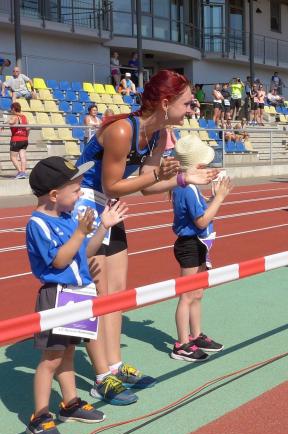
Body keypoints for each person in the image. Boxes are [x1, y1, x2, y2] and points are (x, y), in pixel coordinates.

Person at [74, 69, 219, 405]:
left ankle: (115, 365)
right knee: (100, 295)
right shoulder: (122, 130)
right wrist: (160, 175)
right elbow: (112, 184)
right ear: (166, 103)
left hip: (110, 207)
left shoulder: (160, 135)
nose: (192, 109)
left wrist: (184, 179)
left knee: (116, 295)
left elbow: (147, 188)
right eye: (188, 103)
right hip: (85, 206)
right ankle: (101, 378)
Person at [24, 157, 129, 434]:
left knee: (68, 352)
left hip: (78, 293)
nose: (81, 193)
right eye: (75, 190)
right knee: (51, 359)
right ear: (54, 195)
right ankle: (39, 416)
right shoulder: (38, 224)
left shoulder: (69, 217)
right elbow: (59, 261)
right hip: (57, 296)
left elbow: (86, 251)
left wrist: (103, 227)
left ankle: (69, 403)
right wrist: (81, 232)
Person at [170, 135, 231, 362]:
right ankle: (181, 344)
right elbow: (202, 221)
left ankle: (196, 336)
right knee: (187, 295)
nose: (207, 169)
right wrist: (219, 198)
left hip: (198, 244)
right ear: (196, 166)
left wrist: (212, 197)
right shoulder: (187, 188)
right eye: (204, 165)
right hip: (190, 244)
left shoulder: (188, 187)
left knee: (197, 293)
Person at [7, 102, 29, 179]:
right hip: (25, 139)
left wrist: (6, 122)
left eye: (11, 109)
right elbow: (28, 128)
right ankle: (23, 173)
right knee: (23, 157)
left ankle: (20, 172)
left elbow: (11, 122)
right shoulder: (24, 117)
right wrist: (26, 136)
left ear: (13, 109)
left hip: (16, 139)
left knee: (13, 157)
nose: (10, 110)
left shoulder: (14, 117)